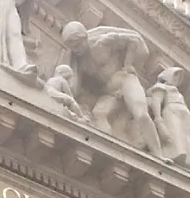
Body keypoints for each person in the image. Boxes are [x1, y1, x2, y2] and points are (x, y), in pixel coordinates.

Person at [58, 21, 160, 156]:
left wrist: (128, 64)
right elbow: (72, 83)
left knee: (141, 114)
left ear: (84, 38)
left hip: (124, 80)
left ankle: (159, 154)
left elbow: (134, 40)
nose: (76, 50)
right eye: (73, 47)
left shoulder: (102, 41)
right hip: (108, 92)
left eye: (78, 45)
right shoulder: (75, 58)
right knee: (99, 114)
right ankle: (110, 152)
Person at [147, 66, 190, 168]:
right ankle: (172, 154)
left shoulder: (177, 92)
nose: (177, 80)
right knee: (174, 134)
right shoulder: (161, 87)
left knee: (185, 138)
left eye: (178, 78)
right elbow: (156, 101)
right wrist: (158, 118)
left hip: (184, 117)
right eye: (175, 76)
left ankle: (189, 161)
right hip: (172, 112)